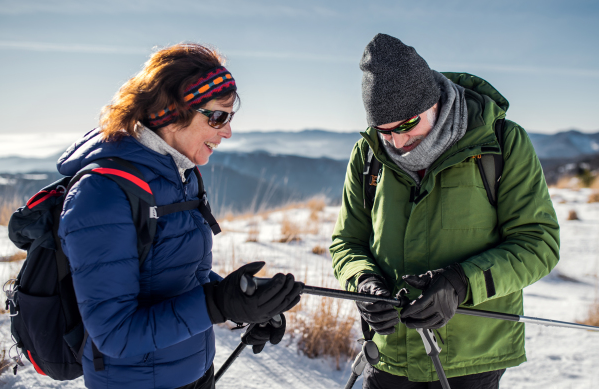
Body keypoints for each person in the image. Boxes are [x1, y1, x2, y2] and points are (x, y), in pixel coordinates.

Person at [57, 43, 302, 389]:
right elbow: (115, 334)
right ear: (173, 112)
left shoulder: (180, 175)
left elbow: (178, 276)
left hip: (195, 373)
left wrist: (244, 305)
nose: (227, 131)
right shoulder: (101, 195)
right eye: (217, 116)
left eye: (229, 117)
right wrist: (217, 305)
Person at [330, 33, 560, 389]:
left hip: (472, 358)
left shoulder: (501, 144)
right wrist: (363, 282)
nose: (398, 142)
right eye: (384, 131)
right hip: (390, 355)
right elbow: (347, 242)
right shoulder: (368, 155)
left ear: (434, 102)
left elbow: (538, 244)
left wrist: (460, 283)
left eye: (407, 125)